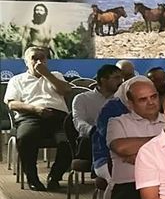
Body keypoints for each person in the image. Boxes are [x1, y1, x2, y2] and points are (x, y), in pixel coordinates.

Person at [5, 46, 73, 191]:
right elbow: (12, 104)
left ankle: (55, 177)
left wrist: (46, 74)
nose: (38, 62)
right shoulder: (17, 80)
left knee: (69, 140)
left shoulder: (55, 75)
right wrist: (35, 109)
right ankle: (33, 178)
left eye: (42, 58)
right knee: (26, 138)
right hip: (31, 116)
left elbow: (66, 91)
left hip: (58, 117)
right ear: (26, 62)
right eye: (34, 58)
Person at [72, 63, 123, 168]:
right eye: (116, 78)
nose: (121, 82)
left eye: (121, 78)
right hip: (90, 139)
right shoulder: (82, 99)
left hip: (116, 138)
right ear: (103, 80)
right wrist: (93, 131)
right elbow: (78, 121)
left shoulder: (122, 100)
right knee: (99, 140)